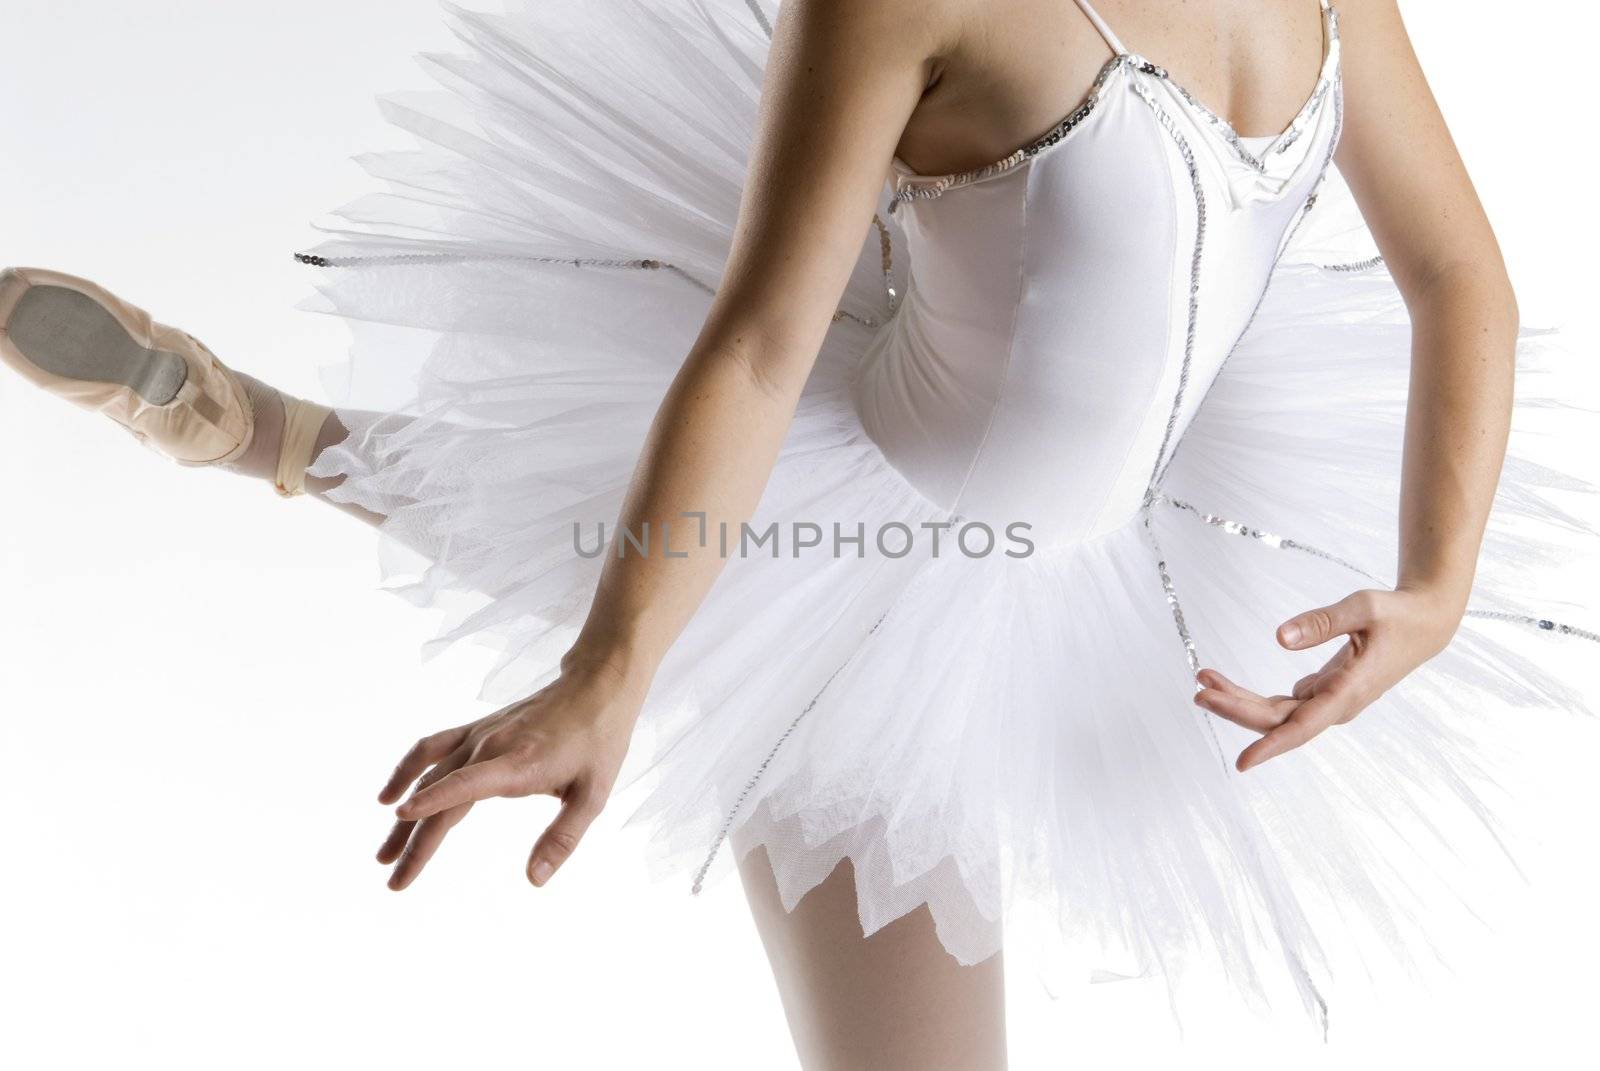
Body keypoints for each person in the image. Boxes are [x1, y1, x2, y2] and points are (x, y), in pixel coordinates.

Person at [2, 0, 1594, 1065]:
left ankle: (260, 434)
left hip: (1139, 536)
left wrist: (1438, 587)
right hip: (872, 556)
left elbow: (1462, 277)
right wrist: (609, 673)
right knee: (710, 577)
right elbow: (760, 348)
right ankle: (265, 432)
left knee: (580, 519)